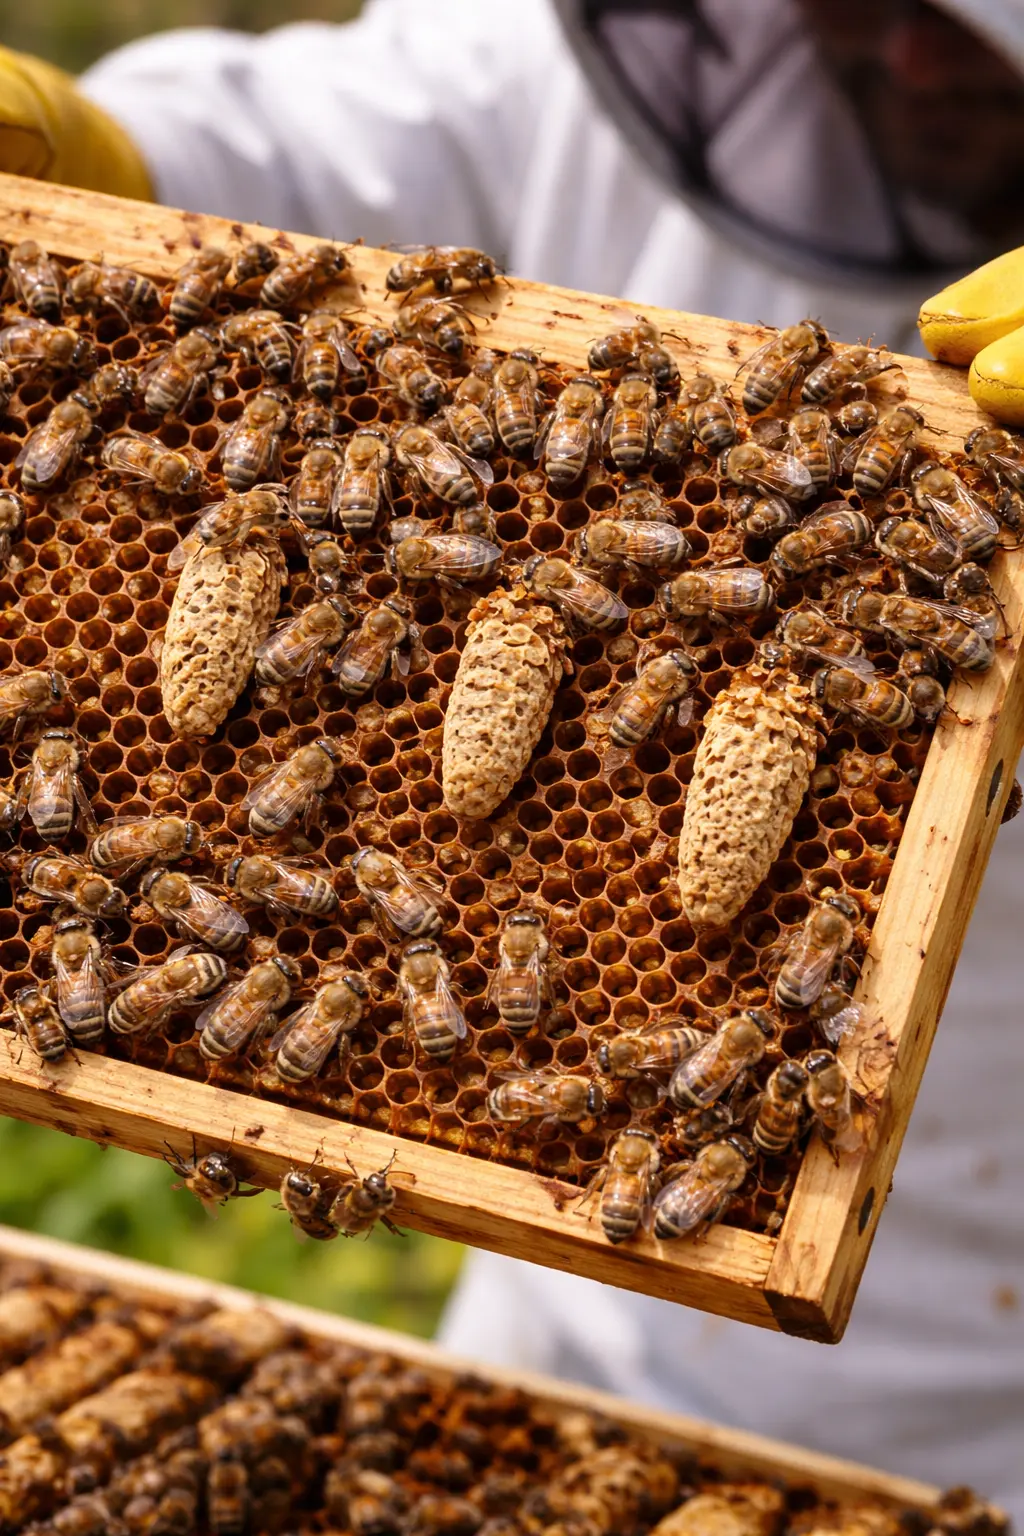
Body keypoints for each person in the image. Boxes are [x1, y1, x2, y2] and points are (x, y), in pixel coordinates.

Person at [0, 0, 1021, 1518]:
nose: (922, 55)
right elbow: (312, 148)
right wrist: (88, 153)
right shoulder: (603, 66)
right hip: (588, 1293)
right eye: (872, 3)